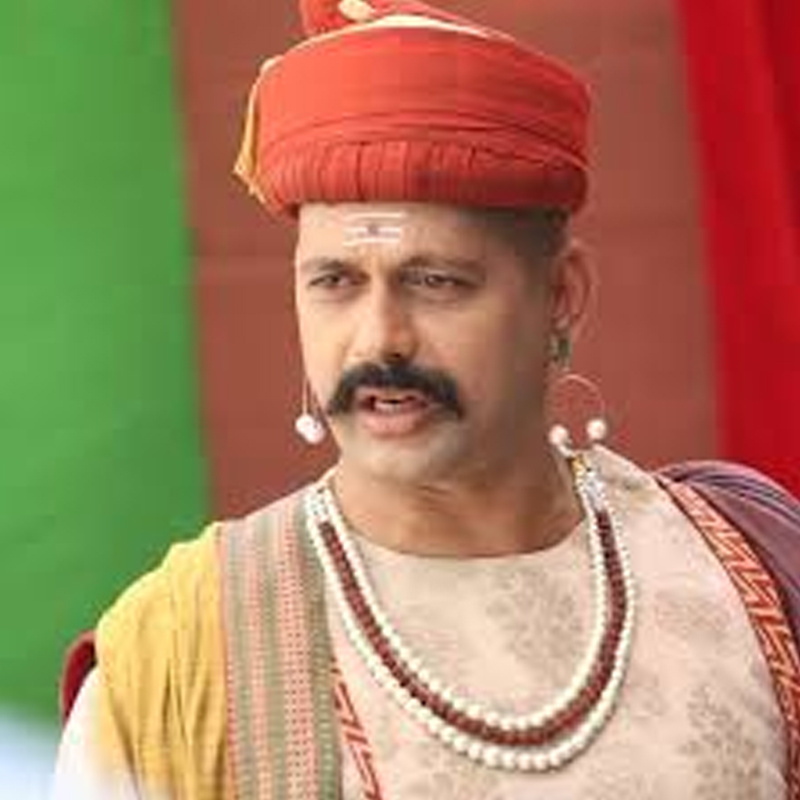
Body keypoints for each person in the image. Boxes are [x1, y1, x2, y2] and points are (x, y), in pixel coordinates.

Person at [52, 0, 800, 798]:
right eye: (335, 282)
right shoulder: (184, 653)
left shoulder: (743, 562)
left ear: (561, 297)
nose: (380, 340)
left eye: (436, 281)